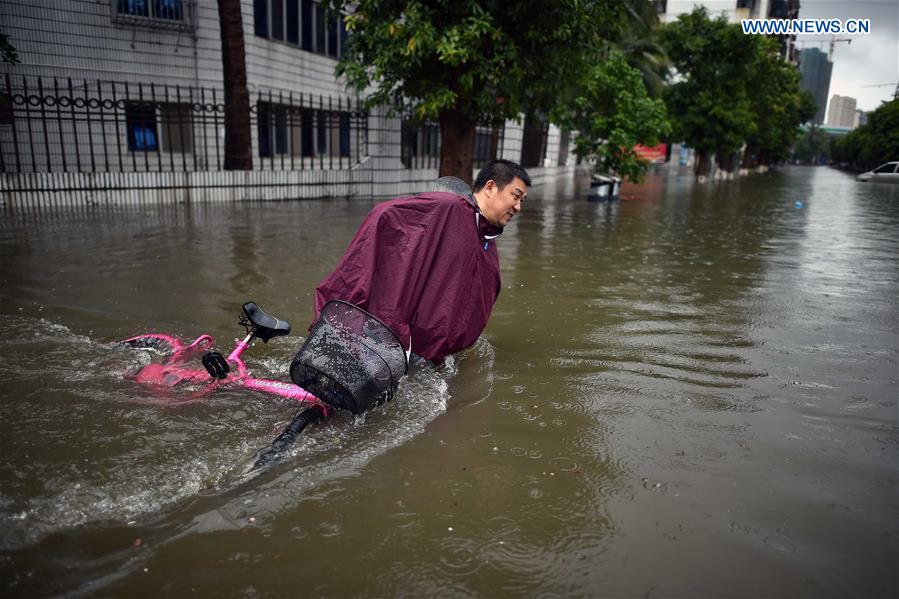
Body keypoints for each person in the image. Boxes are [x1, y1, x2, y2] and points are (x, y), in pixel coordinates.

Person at [312, 159, 531, 363]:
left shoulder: (487, 238)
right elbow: (385, 215)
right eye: (516, 195)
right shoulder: (448, 207)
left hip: (433, 355)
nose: (518, 207)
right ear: (491, 187)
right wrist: (393, 320)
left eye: (522, 200)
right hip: (394, 344)